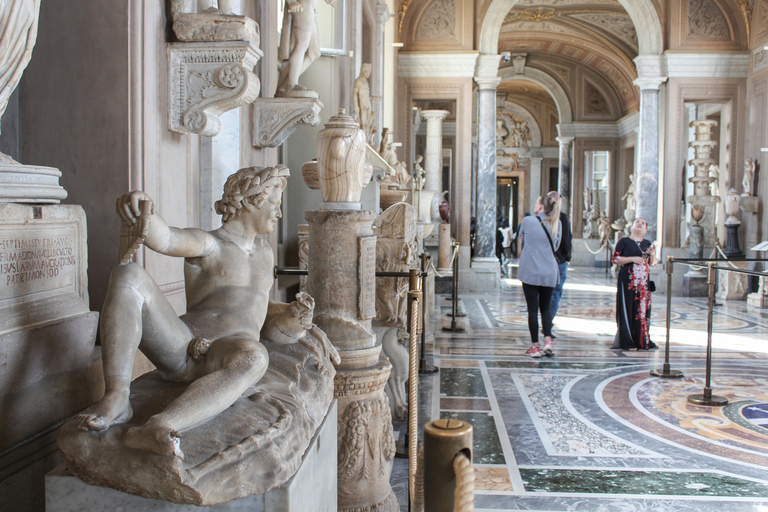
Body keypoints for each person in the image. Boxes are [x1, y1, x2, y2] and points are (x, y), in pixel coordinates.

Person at [77, 165, 331, 458]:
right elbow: (166, 238)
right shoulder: (211, 243)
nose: (279, 213)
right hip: (183, 346)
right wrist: (141, 204)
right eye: (274, 205)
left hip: (230, 352)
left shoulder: (264, 253)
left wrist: (292, 317)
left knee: (254, 356)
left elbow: (263, 320)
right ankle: (117, 395)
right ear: (252, 201)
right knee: (127, 275)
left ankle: (160, 426)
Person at [517, 195, 561, 358]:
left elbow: (520, 238)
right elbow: (555, 246)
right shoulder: (557, 223)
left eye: (537, 202)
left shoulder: (528, 221)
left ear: (541, 207)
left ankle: (535, 347)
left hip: (531, 271)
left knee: (532, 310)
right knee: (546, 308)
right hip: (549, 271)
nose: (535, 204)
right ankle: (548, 341)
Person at [611, 217, 659, 350]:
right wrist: (633, 259)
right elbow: (615, 258)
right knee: (628, 307)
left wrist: (653, 254)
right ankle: (627, 341)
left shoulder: (647, 243)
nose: (639, 224)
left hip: (643, 282)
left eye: (643, 223)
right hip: (628, 281)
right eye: (637, 222)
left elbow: (652, 263)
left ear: (646, 230)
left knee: (642, 310)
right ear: (632, 226)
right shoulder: (624, 241)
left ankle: (642, 339)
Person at [276, 0, 336, 96]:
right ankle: (292, 84)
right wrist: (291, 2)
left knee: (314, 53)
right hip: (303, 5)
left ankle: (285, 84)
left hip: (310, 8)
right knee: (301, 45)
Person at [547, 191, 572, 336]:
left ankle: (546, 321)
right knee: (555, 293)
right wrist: (567, 257)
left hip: (544, 260)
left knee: (546, 292)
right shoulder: (562, 217)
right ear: (558, 201)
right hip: (559, 260)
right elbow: (566, 239)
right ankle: (548, 323)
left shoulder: (540, 217)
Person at [352, 63, 380, 144]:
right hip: (362, 106)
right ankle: (362, 143)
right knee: (363, 125)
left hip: (368, 105)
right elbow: (354, 94)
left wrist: (375, 98)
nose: (368, 74)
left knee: (368, 125)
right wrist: (356, 106)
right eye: (366, 72)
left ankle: (366, 142)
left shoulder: (365, 82)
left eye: (369, 72)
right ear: (362, 71)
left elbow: (367, 96)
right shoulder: (358, 81)